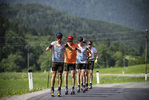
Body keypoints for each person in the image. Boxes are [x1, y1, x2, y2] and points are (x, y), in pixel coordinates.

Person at [46, 32, 72, 97]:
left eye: (60, 38)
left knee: (60, 75)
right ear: (56, 38)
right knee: (54, 75)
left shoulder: (64, 44)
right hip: (54, 61)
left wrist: (67, 47)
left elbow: (71, 49)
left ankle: (59, 89)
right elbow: (47, 49)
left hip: (61, 62)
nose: (59, 39)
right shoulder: (53, 43)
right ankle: (52, 88)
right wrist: (49, 47)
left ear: (61, 38)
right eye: (58, 38)